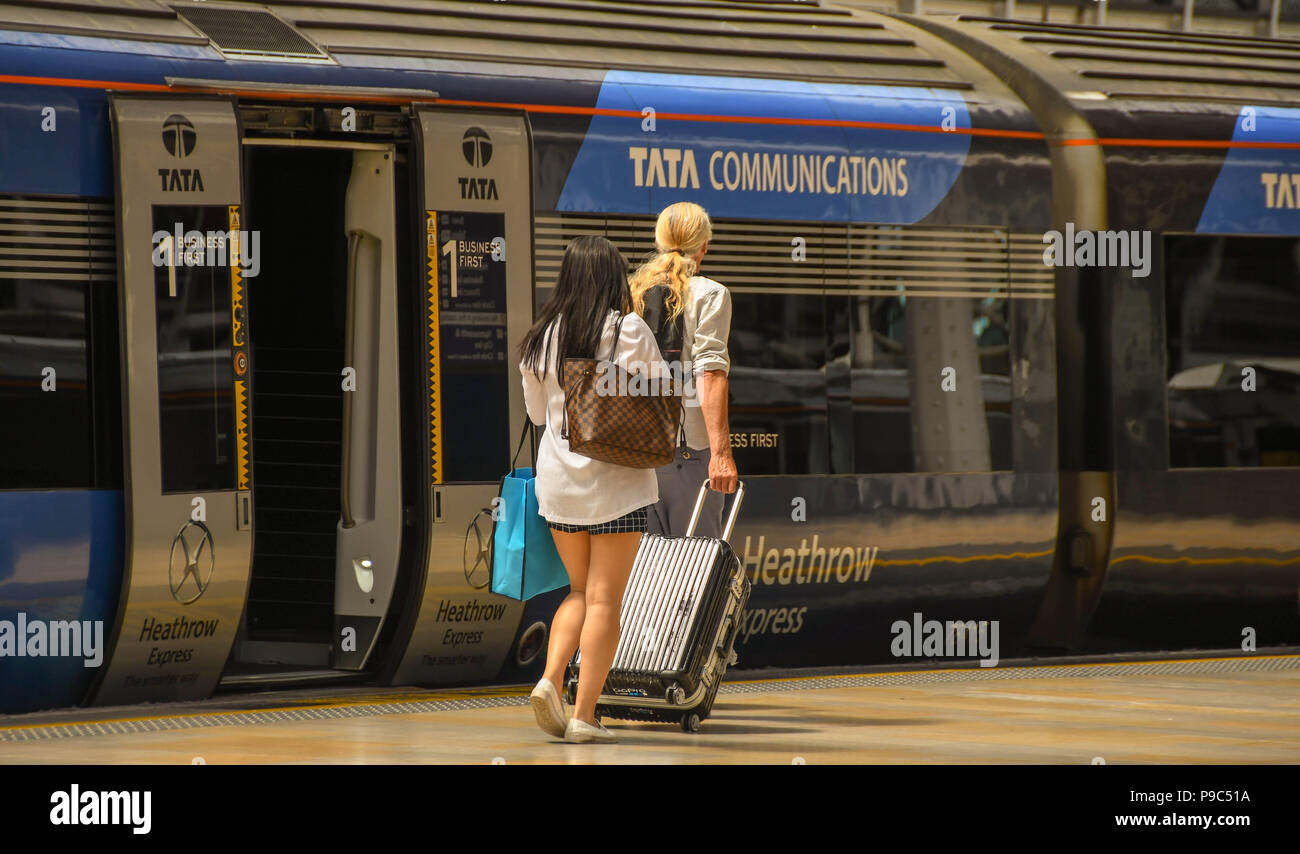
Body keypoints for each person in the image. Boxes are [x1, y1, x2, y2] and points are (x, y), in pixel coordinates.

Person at [519, 235, 670, 744]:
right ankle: (584, 715)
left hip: (559, 483)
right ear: (611, 277)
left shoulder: (542, 336)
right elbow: (658, 394)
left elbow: (538, 415)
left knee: (578, 591)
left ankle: (549, 680)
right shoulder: (627, 328)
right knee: (606, 599)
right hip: (617, 483)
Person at [629, 202, 738, 539]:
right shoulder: (710, 295)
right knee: (692, 578)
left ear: (659, 242)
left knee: (644, 581)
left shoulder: (632, 293)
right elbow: (710, 374)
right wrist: (720, 455)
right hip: (689, 458)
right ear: (704, 246)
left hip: (634, 459)